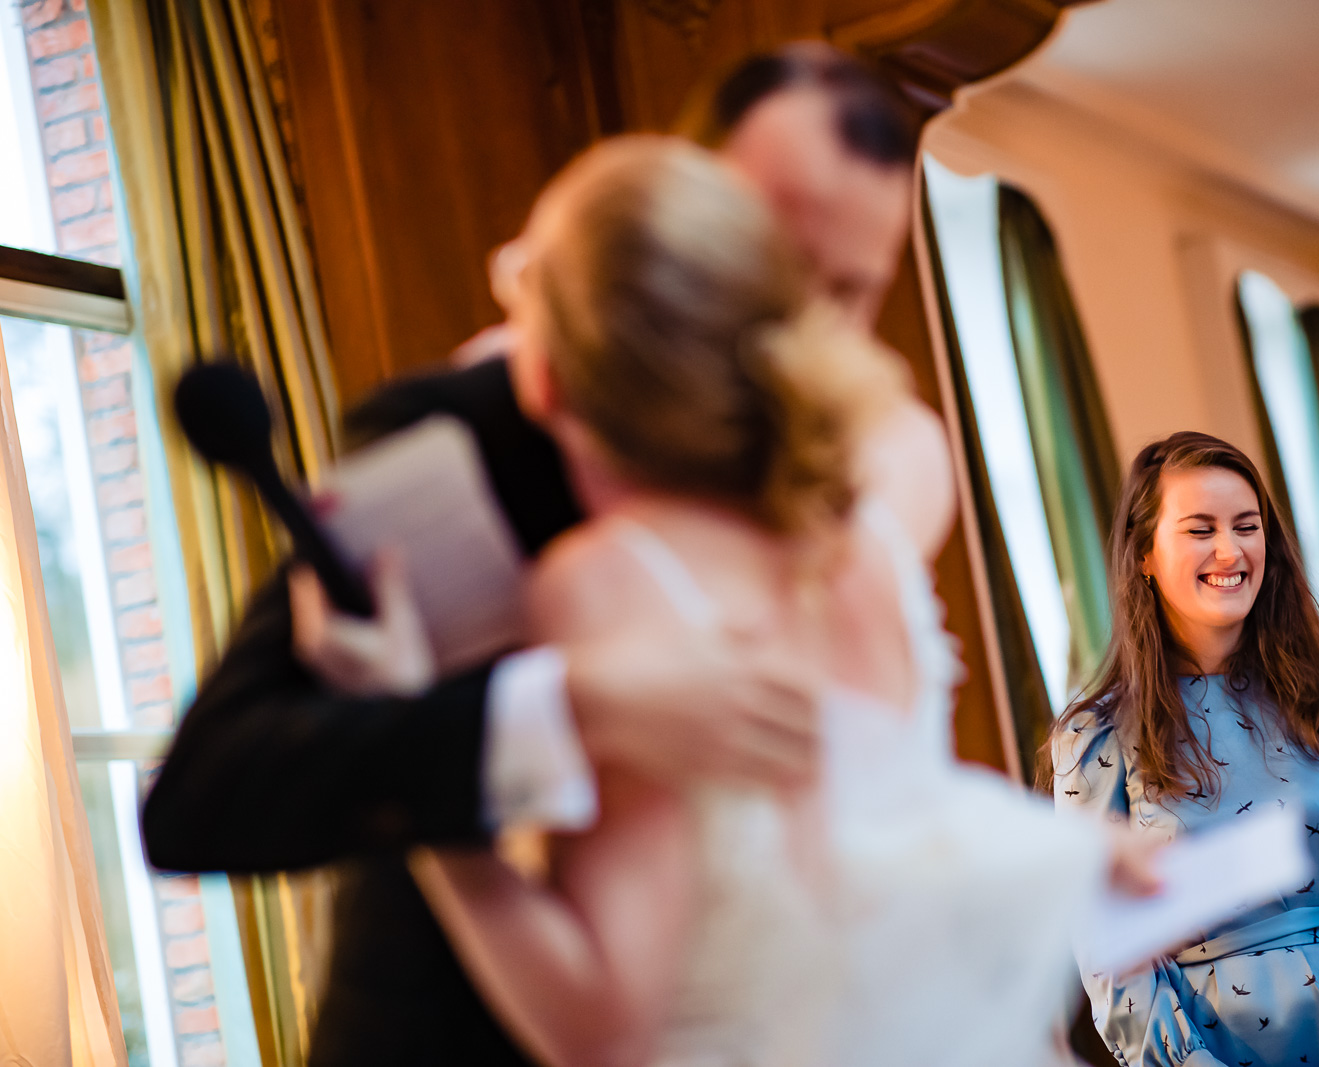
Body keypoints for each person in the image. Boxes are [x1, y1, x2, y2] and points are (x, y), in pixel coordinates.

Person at [139, 43, 932, 1067]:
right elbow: (208, 790)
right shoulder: (471, 433)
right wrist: (565, 701)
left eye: (848, 292)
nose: (798, 330)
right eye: (770, 259)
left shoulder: (871, 460)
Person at [407, 133, 1159, 1067]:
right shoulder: (861, 544)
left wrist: (435, 819)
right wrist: (1071, 855)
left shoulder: (611, 581)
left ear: (541, 372)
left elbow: (604, 1027)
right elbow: (887, 826)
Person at [1053, 431, 1319, 1067]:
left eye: (1247, 525)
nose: (1230, 551)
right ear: (1144, 555)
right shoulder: (1094, 734)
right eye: (1200, 529)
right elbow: (1109, 954)